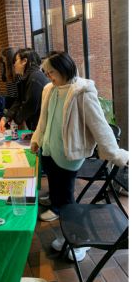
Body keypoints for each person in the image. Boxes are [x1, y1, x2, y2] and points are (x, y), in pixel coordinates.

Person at [30, 51, 129, 261]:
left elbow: (100, 126)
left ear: (65, 68)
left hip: (69, 155)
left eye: (52, 72)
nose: (48, 77)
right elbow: (43, 120)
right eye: (46, 72)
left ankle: (79, 241)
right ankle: (69, 238)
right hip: (48, 152)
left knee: (67, 201)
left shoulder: (82, 92)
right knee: (58, 199)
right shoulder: (50, 89)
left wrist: (115, 154)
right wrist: (36, 139)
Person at [0, 48, 49, 133]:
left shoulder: (35, 77)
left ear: (24, 61)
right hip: (37, 126)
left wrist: (16, 120)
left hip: (42, 127)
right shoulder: (28, 77)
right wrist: (6, 117)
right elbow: (19, 100)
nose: (14, 64)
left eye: (16, 61)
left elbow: (30, 106)